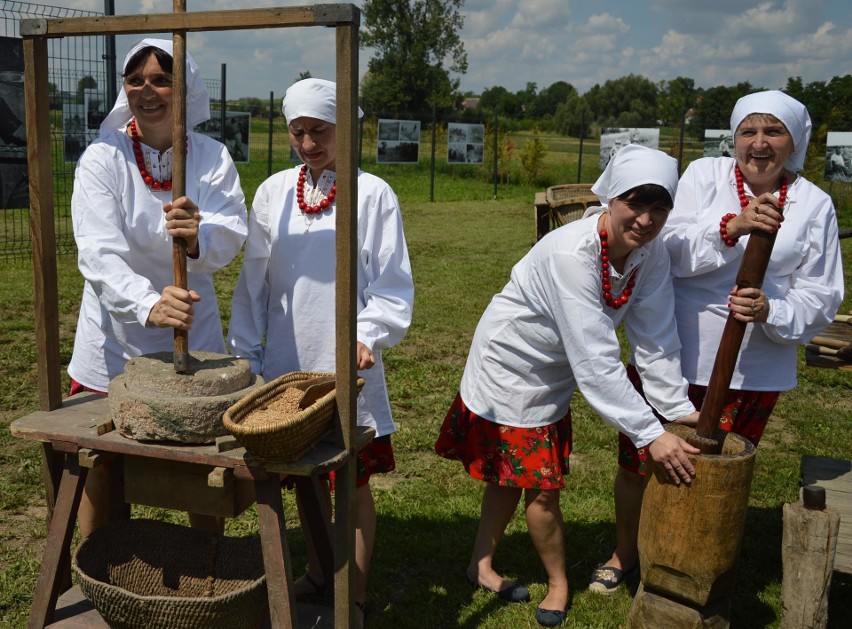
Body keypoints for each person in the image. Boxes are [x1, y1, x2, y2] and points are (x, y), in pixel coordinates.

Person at [434, 144, 701, 627]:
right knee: (539, 488)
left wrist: (678, 410)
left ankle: (480, 563)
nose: (645, 219)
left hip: (555, 369)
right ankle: (558, 582)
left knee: (512, 477)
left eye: (659, 207)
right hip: (509, 366)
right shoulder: (571, 254)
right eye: (635, 203)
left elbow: (656, 338)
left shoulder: (650, 252)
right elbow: (597, 362)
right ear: (611, 198)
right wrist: (650, 434)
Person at [594, 90, 845, 595]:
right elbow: (668, 250)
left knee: (717, 471)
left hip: (755, 362)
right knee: (641, 458)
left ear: (793, 141)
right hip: (677, 351)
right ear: (735, 138)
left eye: (773, 132)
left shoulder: (815, 204)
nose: (758, 144)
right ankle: (626, 552)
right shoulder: (705, 177)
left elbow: (821, 292)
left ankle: (699, 560)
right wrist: (732, 226)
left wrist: (773, 310)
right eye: (748, 131)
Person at [227, 78, 414, 625]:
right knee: (302, 479)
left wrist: (368, 333)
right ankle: (316, 570)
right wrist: (247, 353)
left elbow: (391, 283)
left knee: (349, 485)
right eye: (298, 131)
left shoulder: (372, 193)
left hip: (345, 363)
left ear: (345, 129)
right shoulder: (273, 192)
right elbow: (254, 281)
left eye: (320, 131)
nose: (307, 143)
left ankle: (351, 594)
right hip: (286, 366)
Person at [67, 38, 248, 536]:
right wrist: (148, 303)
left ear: (183, 88)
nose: (148, 91)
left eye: (162, 79)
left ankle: (205, 569)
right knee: (100, 466)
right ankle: (99, 565)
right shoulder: (104, 158)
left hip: (193, 334)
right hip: (114, 338)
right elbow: (98, 252)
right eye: (136, 80)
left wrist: (197, 239)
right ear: (125, 89)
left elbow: (232, 230)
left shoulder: (210, 157)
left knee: (200, 467)